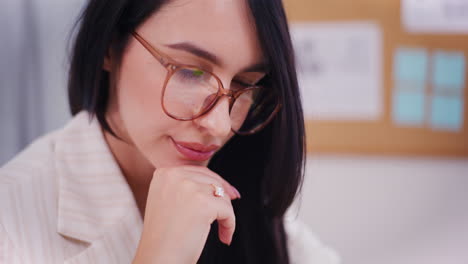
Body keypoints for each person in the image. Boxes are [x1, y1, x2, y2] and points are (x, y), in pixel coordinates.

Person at [0, 0, 339, 263]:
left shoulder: (241, 190)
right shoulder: (11, 218)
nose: (220, 125)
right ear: (110, 46)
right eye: (191, 72)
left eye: (245, 84)